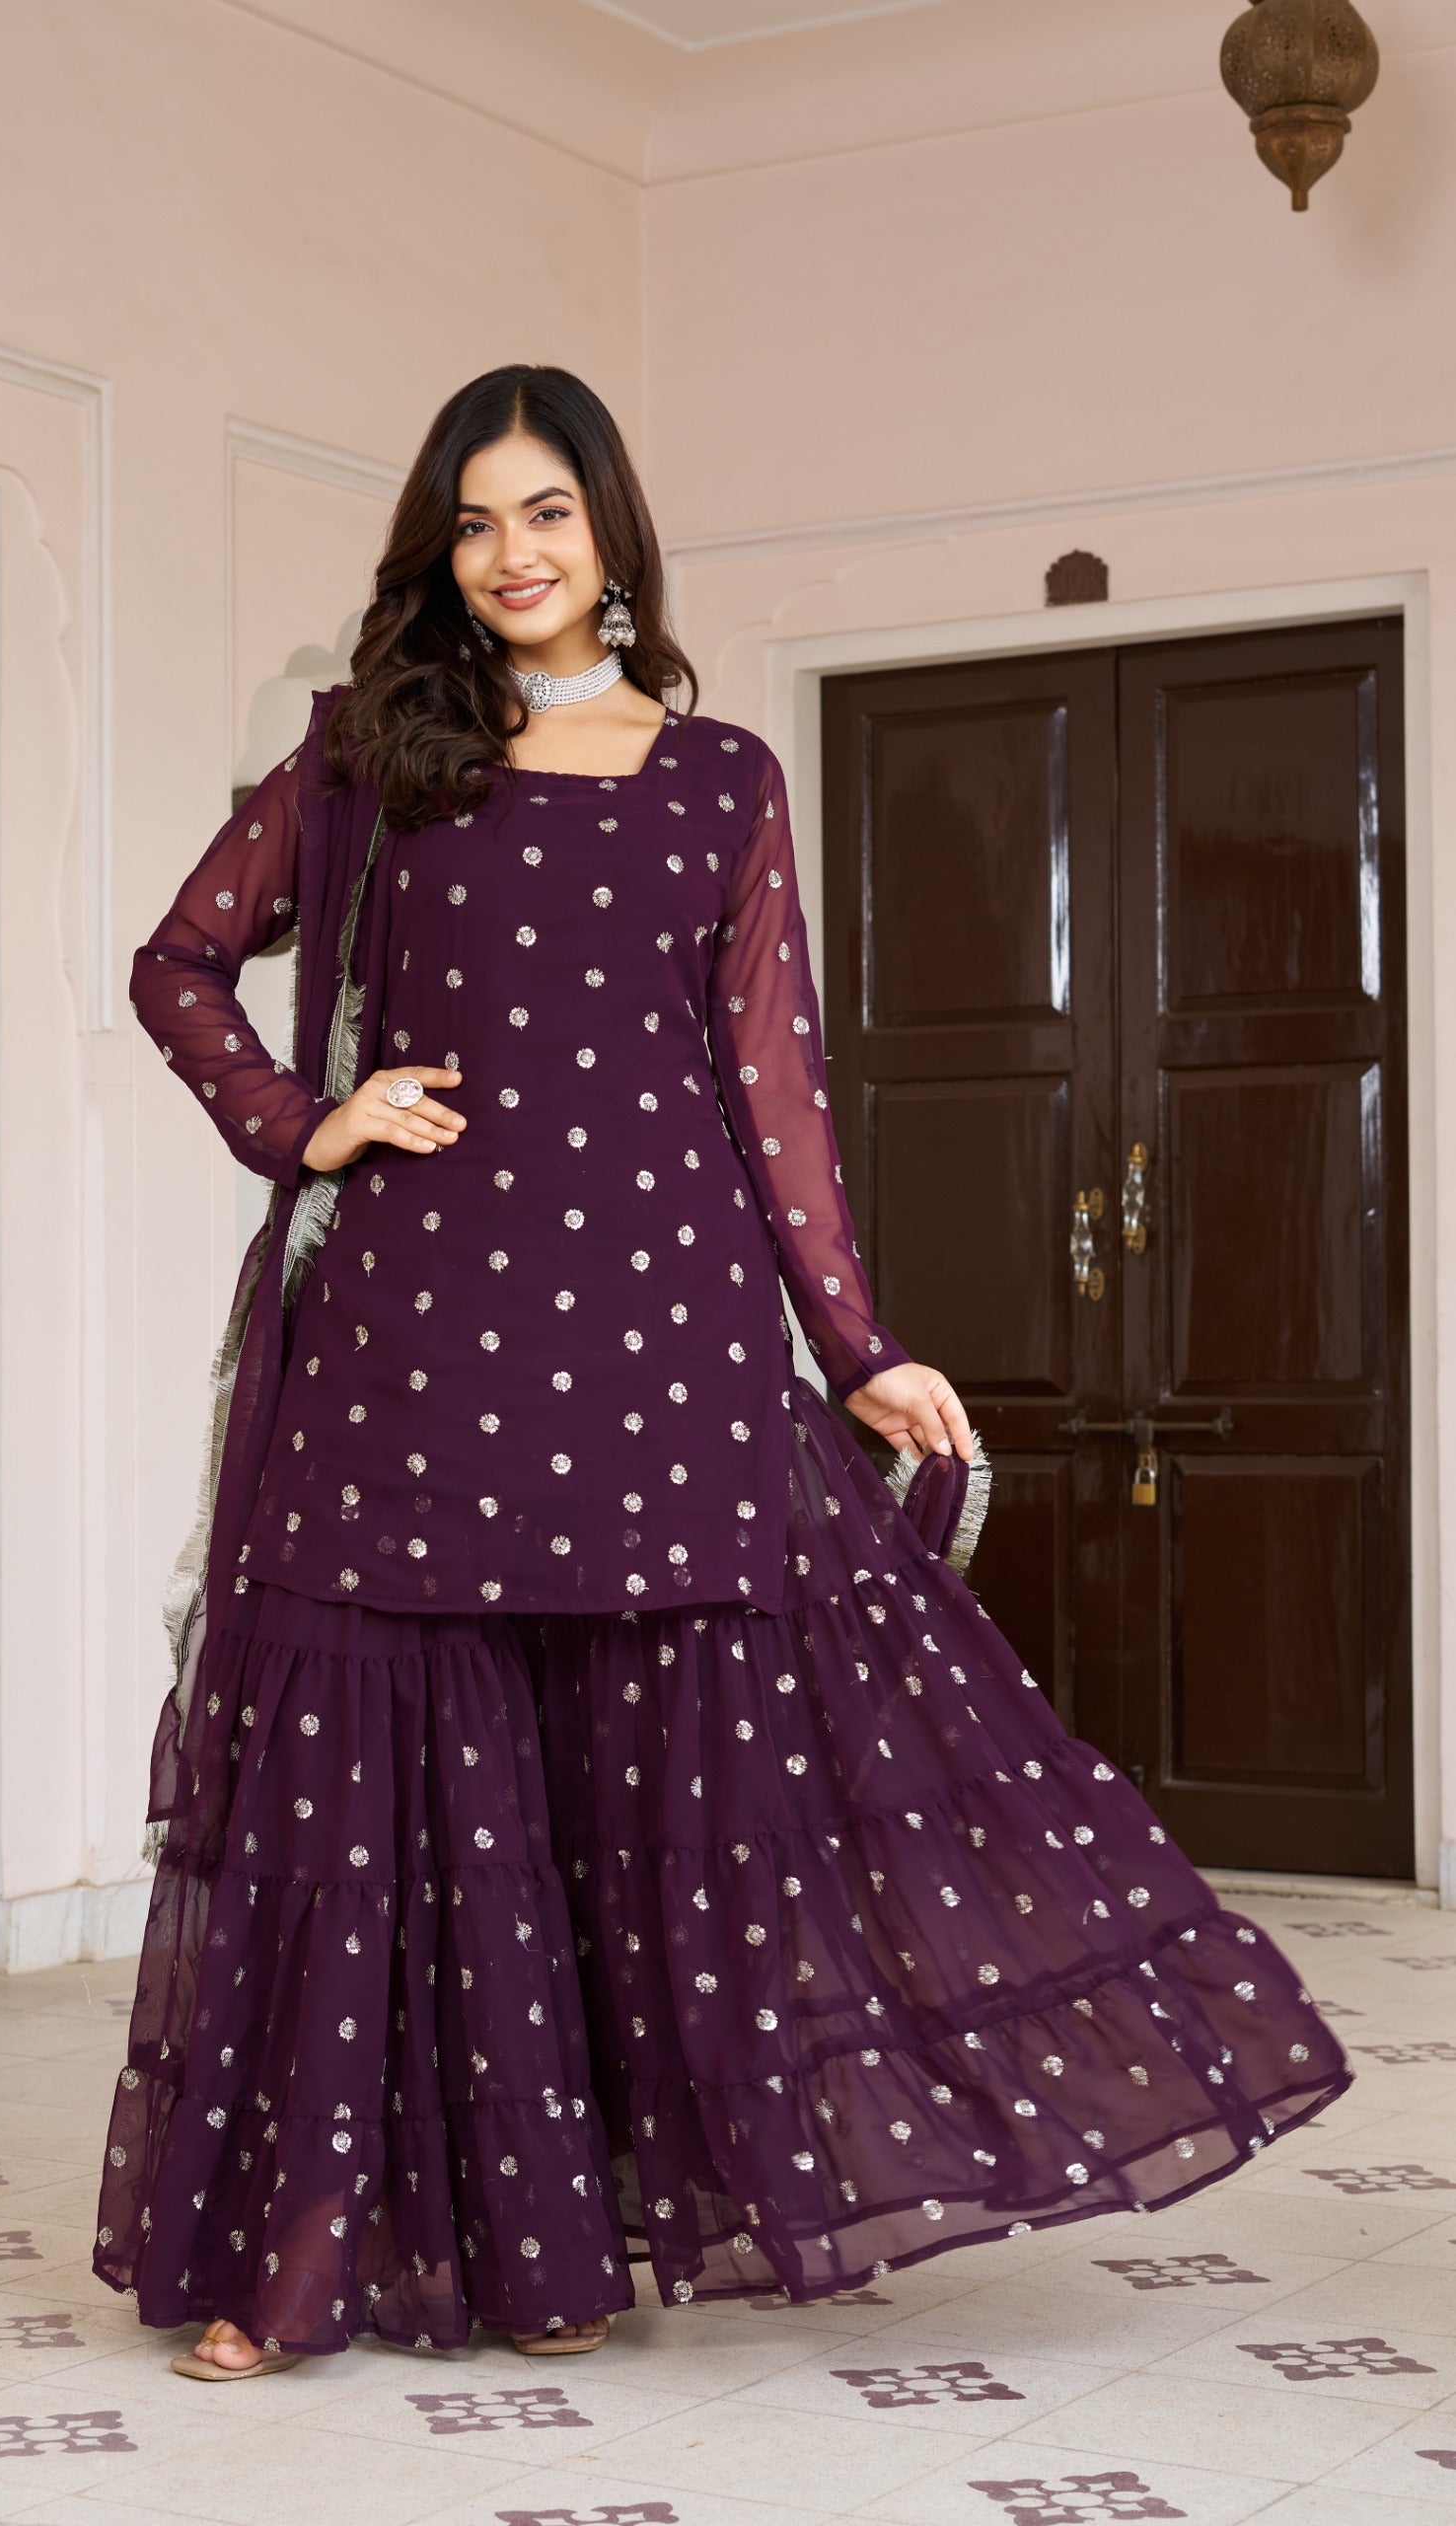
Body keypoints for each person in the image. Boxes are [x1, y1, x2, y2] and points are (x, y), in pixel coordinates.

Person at [94, 364, 1349, 2380]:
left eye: (547, 518)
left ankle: (568, 2242)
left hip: (662, 1346)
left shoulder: (717, 776)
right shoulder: (367, 761)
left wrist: (855, 1344)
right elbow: (176, 958)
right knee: (377, 1802)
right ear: (439, 548)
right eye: (475, 523)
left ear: (611, 532)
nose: (510, 558)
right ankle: (302, 2253)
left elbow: (774, 1088)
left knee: (629, 1796)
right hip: (419, 1340)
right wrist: (296, 1119)